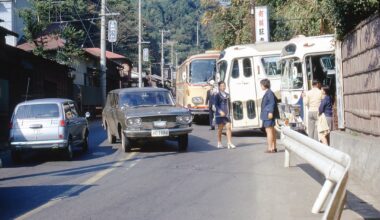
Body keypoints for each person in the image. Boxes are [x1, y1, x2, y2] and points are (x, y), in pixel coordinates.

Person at [214, 81, 236, 149]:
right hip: (220, 115)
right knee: (220, 129)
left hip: (227, 114)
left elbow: (229, 104)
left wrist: (230, 112)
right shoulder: (217, 95)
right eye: (221, 86)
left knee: (229, 127)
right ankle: (219, 142)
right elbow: (216, 105)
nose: (223, 87)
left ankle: (229, 142)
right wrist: (220, 111)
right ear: (219, 87)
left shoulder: (227, 95)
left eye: (224, 85)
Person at [260, 79, 279, 153]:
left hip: (268, 115)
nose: (261, 86)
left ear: (265, 85)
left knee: (269, 131)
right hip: (269, 114)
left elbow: (271, 103)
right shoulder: (269, 92)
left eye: (261, 85)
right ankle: (273, 147)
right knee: (272, 131)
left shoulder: (269, 93)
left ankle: (270, 148)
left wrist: (270, 112)